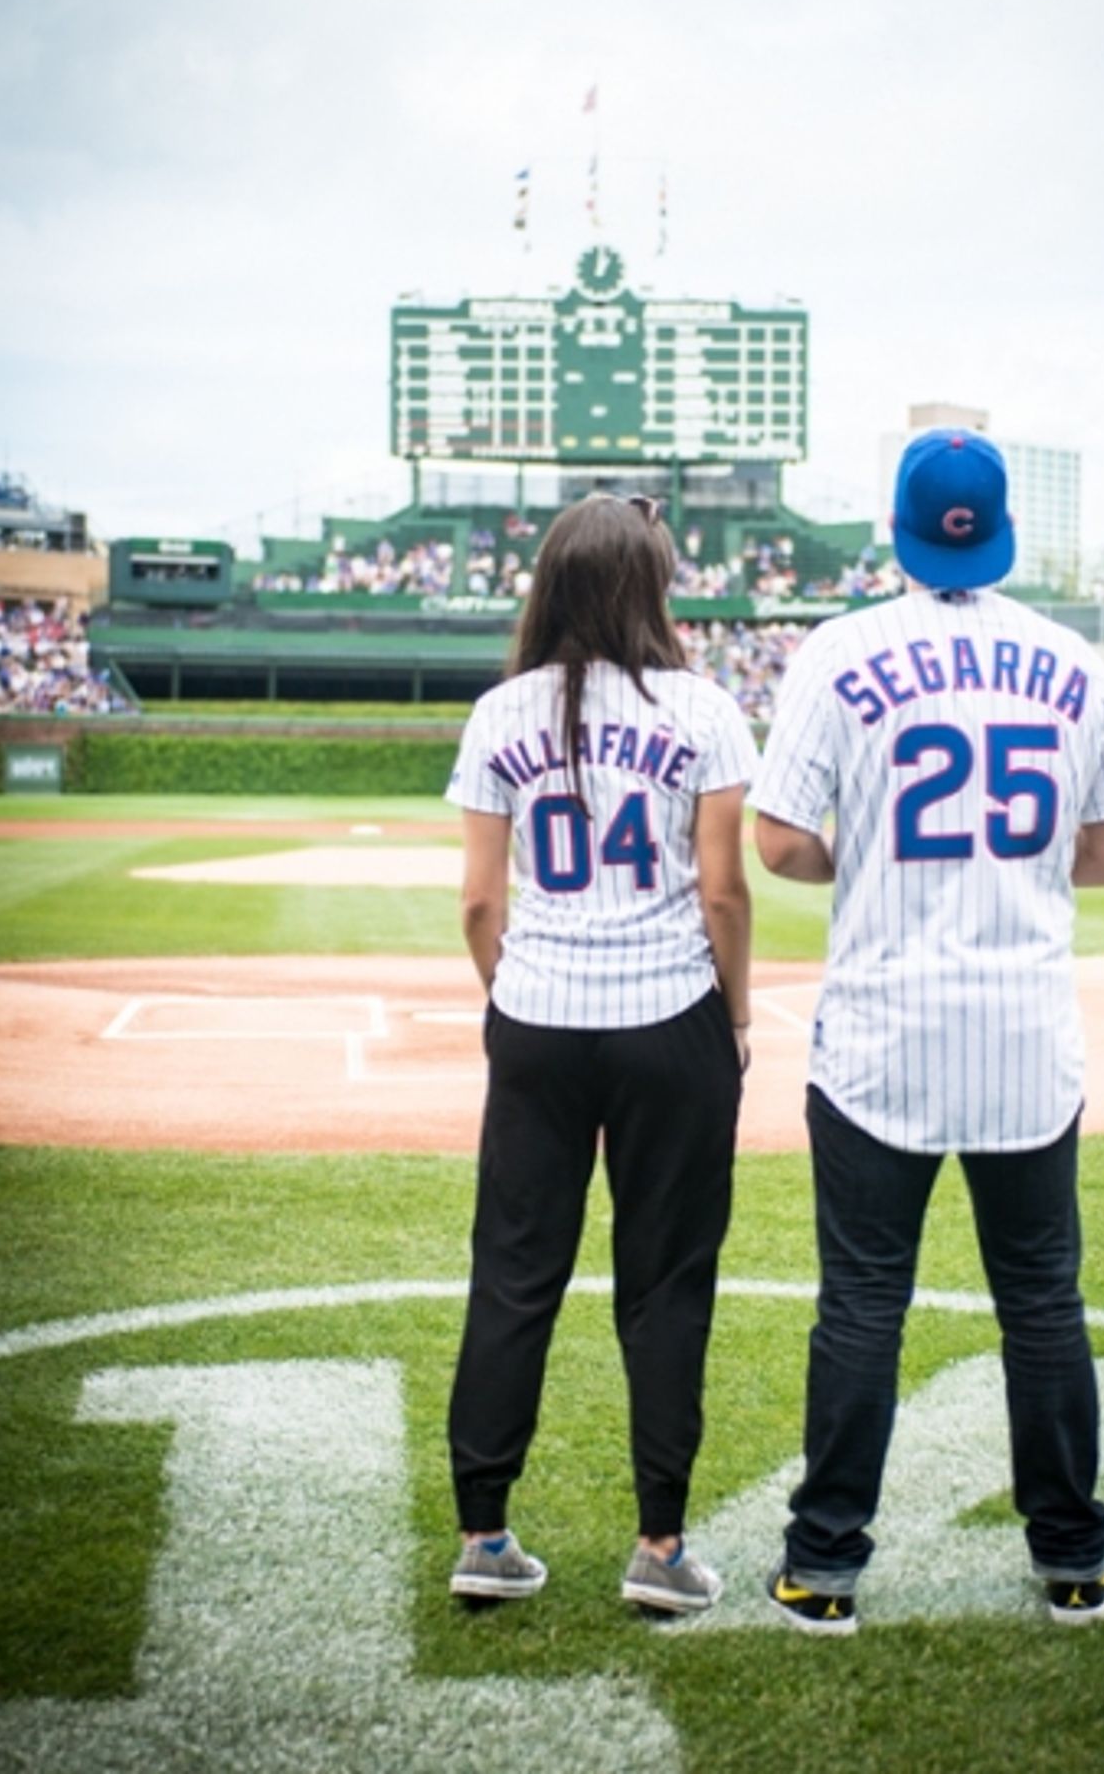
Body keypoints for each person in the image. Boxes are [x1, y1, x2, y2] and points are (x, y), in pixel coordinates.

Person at [751, 428, 1104, 1635]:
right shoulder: (1070, 658)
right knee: (1042, 1303)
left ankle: (824, 1566)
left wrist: (865, 856)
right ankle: (1070, 1559)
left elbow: (773, 839)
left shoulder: (838, 650)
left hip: (881, 1035)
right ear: (1003, 529)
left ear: (903, 531)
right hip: (1027, 1038)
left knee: (862, 1304)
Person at [443, 490, 756, 1615]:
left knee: (513, 1275)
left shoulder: (498, 713)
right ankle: (659, 1549)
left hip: (537, 1015)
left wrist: (513, 997)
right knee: (665, 1283)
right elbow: (722, 891)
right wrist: (734, 1017)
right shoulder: (705, 708)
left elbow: (480, 903)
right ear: (649, 585)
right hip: (669, 1014)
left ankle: (484, 1534)